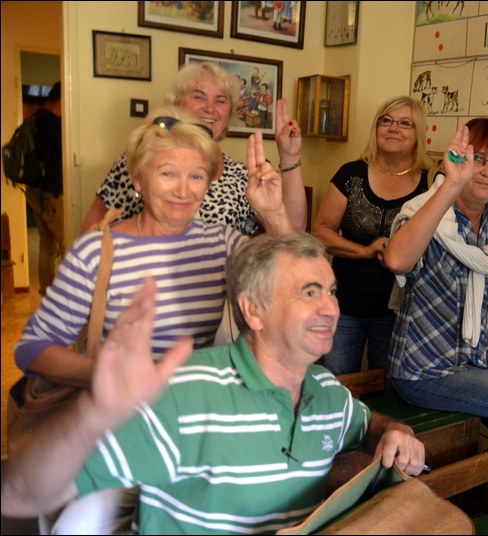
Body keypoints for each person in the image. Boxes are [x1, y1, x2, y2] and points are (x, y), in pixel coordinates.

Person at [1, 233, 427, 534]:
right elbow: (18, 496)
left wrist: (394, 431)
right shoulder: (185, 394)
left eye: (331, 291)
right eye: (309, 292)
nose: (331, 308)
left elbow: (367, 424)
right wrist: (92, 416)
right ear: (253, 312)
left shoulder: (328, 392)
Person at [12, 105, 290, 534]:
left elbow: (292, 287)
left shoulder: (220, 243)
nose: (183, 190)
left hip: (197, 422)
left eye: (196, 176)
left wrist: (273, 214)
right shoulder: (96, 252)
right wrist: (112, 377)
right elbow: (32, 349)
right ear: (138, 179)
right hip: (121, 425)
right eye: (167, 173)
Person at [382, 118, 488, 507]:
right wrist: (451, 184)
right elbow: (396, 260)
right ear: (460, 161)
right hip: (424, 370)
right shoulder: (426, 213)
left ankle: (486, 500)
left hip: (476, 365)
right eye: (479, 159)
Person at [80, 61, 307, 235]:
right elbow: (92, 231)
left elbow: (293, 229)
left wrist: (289, 156)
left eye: (220, 100)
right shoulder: (141, 159)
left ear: (229, 113)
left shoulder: (243, 176)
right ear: (177, 102)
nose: (209, 108)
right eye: (199, 97)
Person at [312, 96, 430, 377]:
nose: (393, 128)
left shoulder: (431, 182)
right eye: (386, 121)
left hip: (401, 311)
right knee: (338, 383)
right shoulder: (351, 174)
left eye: (405, 123)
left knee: (388, 385)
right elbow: (321, 231)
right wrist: (365, 251)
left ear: (419, 133)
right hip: (344, 306)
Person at [23, 81, 64, 295]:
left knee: (46, 245)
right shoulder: (51, 123)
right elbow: (60, 156)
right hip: (51, 192)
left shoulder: (34, 119)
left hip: (34, 191)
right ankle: (66, 296)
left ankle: (48, 294)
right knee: (67, 244)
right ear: (61, 98)